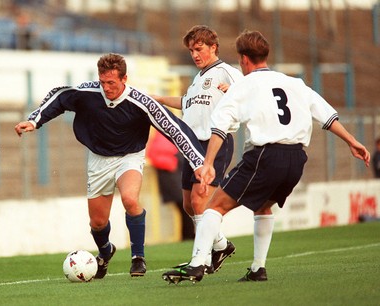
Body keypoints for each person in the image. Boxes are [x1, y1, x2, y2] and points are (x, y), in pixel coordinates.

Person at [162, 30, 371, 284]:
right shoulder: (294, 82)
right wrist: (353, 141)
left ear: (243, 59)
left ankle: (197, 264)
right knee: (263, 206)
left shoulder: (244, 85)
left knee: (213, 207)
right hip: (296, 160)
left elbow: (219, 127)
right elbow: (326, 116)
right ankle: (258, 269)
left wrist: (208, 165)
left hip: (265, 156)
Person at [14, 53, 205, 279]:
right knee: (97, 222)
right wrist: (35, 120)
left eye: (111, 83)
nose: (106, 87)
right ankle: (105, 252)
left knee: (130, 199)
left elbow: (174, 128)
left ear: (125, 79)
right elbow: (59, 96)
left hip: (130, 157)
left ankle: (138, 258)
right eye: (103, 82)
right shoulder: (88, 93)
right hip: (98, 159)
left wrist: (198, 163)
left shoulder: (141, 102)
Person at [152, 25, 244, 272]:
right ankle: (221, 245)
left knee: (199, 199)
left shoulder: (226, 72)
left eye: (199, 48)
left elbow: (248, 91)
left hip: (215, 142)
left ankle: (199, 261)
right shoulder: (197, 79)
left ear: (213, 47)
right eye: (192, 49)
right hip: (192, 145)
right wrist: (159, 100)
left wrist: (234, 91)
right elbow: (185, 103)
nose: (194, 54)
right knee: (189, 205)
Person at [146, 131, 195, 240]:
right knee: (184, 206)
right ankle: (188, 236)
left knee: (185, 207)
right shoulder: (162, 137)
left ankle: (188, 235)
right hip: (171, 177)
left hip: (176, 175)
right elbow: (152, 155)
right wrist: (171, 163)